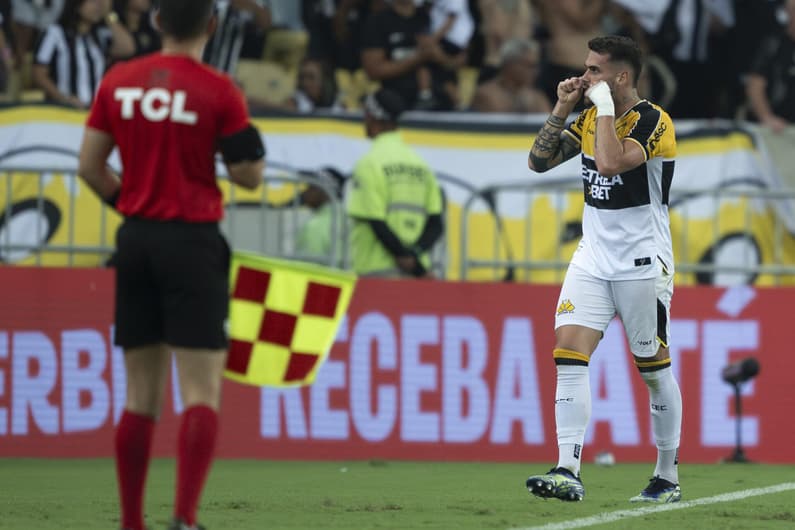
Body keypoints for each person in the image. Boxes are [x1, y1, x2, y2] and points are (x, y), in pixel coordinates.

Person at [77, 0, 265, 528]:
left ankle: (131, 522)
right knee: (200, 391)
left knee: (140, 396)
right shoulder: (219, 89)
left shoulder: (119, 81)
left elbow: (90, 168)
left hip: (136, 240)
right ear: (212, 25)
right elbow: (249, 175)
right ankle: (184, 518)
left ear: (156, 21)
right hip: (192, 242)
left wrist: (136, 204)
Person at [524, 35, 682, 504]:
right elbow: (538, 161)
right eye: (586, 68)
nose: (585, 75)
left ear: (622, 76)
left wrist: (602, 107)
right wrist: (561, 107)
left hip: (642, 263)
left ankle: (666, 475)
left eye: (594, 70)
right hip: (592, 257)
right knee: (568, 353)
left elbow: (612, 164)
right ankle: (567, 469)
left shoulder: (655, 121)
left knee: (652, 369)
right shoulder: (592, 115)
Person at [345, 88, 444, 277]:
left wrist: (402, 255)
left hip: (376, 269)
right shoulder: (421, 165)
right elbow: (436, 223)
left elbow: (375, 220)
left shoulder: (369, 163)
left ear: (372, 117)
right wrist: (414, 258)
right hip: (415, 273)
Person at [33, 0, 135, 108]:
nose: (97, 6)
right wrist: (63, 99)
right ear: (77, 5)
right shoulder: (55, 33)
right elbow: (38, 74)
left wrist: (108, 14)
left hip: (93, 112)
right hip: (62, 112)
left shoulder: (99, 37)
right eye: (92, 2)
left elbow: (128, 48)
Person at [470, 37, 551, 113]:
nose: (535, 71)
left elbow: (552, 125)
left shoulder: (537, 98)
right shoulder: (486, 95)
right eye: (529, 66)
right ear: (510, 64)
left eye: (535, 66)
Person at [295, 167, 347, 263]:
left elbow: (307, 266)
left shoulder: (316, 226)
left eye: (311, 187)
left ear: (324, 191)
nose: (305, 192)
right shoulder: (350, 220)